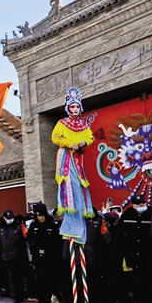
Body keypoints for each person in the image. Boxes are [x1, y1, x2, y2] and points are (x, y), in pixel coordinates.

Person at [51, 87, 95, 245]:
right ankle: (71, 223)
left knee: (80, 185)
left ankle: (79, 223)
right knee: (70, 184)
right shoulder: (62, 123)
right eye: (72, 106)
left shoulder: (83, 124)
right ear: (68, 108)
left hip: (78, 157)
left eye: (77, 106)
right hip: (66, 156)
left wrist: (84, 142)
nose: (75, 109)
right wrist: (70, 144)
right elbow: (55, 137)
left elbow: (90, 138)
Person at [120, 195, 152, 303]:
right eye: (138, 204)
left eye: (143, 203)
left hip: (148, 254)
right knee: (137, 282)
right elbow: (120, 233)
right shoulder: (127, 215)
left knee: (149, 282)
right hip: (132, 254)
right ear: (133, 205)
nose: (141, 206)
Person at [27, 203, 61, 303]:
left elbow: (57, 242)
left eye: (42, 215)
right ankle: (43, 300)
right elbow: (30, 240)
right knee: (39, 278)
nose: (40, 218)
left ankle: (51, 297)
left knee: (49, 278)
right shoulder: (33, 226)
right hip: (38, 256)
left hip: (50, 257)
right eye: (38, 216)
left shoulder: (51, 225)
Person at [0, 210, 27, 303]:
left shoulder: (19, 226)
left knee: (18, 276)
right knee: (10, 277)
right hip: (7, 255)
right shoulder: (1, 228)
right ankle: (13, 294)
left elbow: (24, 241)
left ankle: (19, 295)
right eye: (7, 218)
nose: (9, 219)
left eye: (10, 218)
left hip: (18, 255)